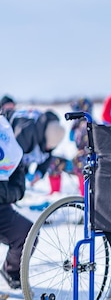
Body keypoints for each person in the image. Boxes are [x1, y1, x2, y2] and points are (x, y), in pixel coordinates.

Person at [0, 108, 65, 289]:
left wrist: (5, 193)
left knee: (27, 233)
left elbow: (18, 187)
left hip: (2, 204)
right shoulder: (24, 132)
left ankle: (11, 270)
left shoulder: (15, 146)